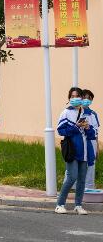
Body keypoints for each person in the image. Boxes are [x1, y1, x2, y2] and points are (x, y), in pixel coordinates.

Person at [56, 87, 97, 215]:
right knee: (71, 177)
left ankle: (78, 205)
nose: (75, 98)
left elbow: (92, 135)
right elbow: (61, 131)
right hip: (72, 150)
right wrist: (76, 126)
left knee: (82, 180)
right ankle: (60, 204)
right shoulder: (66, 113)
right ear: (69, 98)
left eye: (77, 96)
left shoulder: (87, 114)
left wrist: (87, 127)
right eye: (72, 96)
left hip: (85, 151)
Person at [81, 89, 99, 190]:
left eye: (89, 98)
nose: (86, 100)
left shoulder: (93, 114)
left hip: (92, 142)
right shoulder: (77, 112)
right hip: (80, 141)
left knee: (91, 165)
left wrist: (97, 147)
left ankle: (89, 188)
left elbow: (96, 132)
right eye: (84, 98)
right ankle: (76, 187)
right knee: (80, 164)